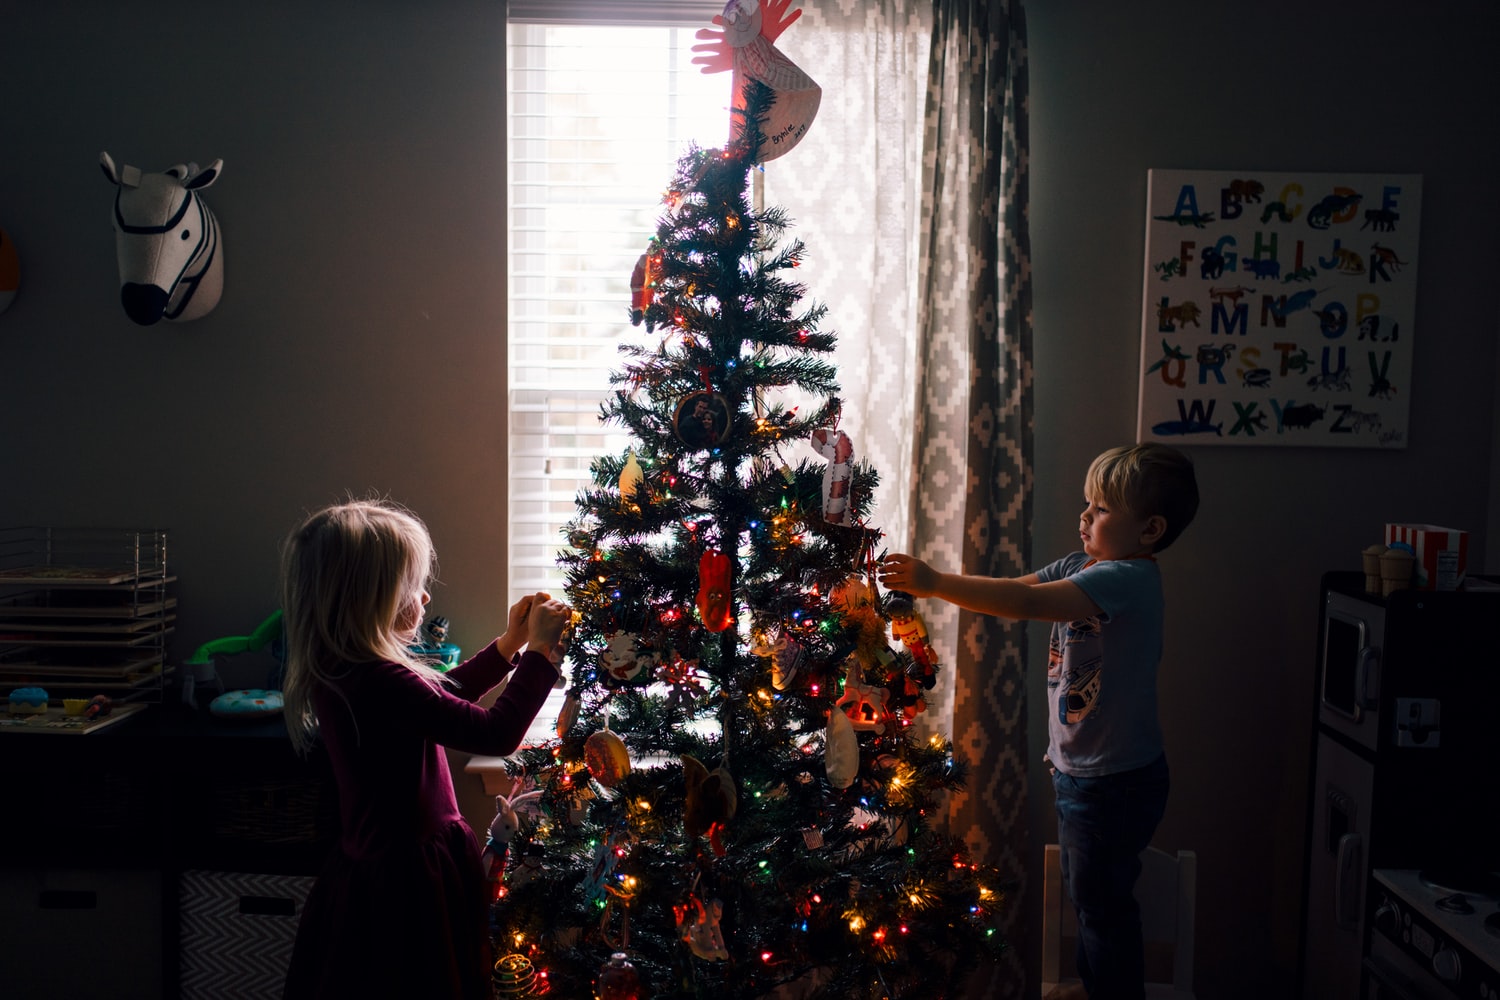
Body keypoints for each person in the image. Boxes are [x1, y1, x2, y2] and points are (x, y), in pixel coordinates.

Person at [879, 442, 1198, 1000]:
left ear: (1150, 530)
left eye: (1100, 510)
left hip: (1113, 781)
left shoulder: (1126, 579)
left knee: (1101, 907)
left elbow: (1024, 607)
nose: (1084, 517)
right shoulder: (1084, 566)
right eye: (1087, 503)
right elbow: (1018, 591)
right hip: (1087, 774)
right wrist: (938, 584)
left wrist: (933, 583)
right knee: (1093, 898)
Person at [278, 498, 570, 1000]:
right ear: (371, 599)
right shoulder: (379, 679)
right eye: (413, 587)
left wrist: (508, 645)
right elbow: (496, 734)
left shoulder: (350, 669)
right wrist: (540, 655)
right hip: (406, 883)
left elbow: (439, 699)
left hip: (385, 870)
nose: (425, 599)